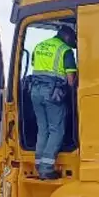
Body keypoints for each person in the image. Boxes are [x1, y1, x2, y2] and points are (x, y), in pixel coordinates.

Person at [28, 25, 77, 179]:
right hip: (52, 93)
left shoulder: (40, 46)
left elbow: (35, 65)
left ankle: (38, 164)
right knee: (57, 130)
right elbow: (70, 80)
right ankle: (47, 168)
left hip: (35, 92)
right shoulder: (65, 51)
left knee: (43, 129)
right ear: (67, 37)